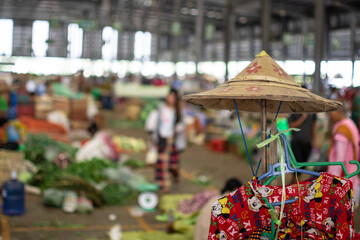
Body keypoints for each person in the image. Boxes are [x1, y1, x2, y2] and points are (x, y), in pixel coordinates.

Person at [145, 89, 186, 192]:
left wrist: (179, 128)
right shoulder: (160, 109)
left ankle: (176, 176)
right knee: (162, 165)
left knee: (173, 165)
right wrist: (152, 137)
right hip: (162, 140)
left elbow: (182, 125)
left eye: (173, 97)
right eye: (169, 96)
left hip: (173, 141)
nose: (170, 99)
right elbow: (152, 124)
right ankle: (164, 186)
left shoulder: (178, 111)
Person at [328, 105, 360, 207]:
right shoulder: (350, 124)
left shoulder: (342, 129)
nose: (330, 116)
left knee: (339, 206)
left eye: (331, 113)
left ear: (339, 112)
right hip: (352, 168)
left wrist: (333, 179)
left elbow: (339, 159)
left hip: (343, 172)